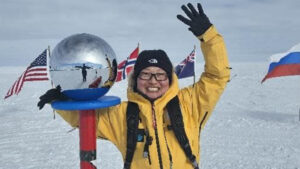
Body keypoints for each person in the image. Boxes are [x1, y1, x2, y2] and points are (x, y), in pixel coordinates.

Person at [38, 3, 230, 169]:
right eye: (145, 74)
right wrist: (67, 100)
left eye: (160, 75)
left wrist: (210, 37)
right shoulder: (122, 115)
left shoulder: (190, 104)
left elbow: (217, 76)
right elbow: (86, 120)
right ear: (135, 79)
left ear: (170, 78)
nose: (153, 81)